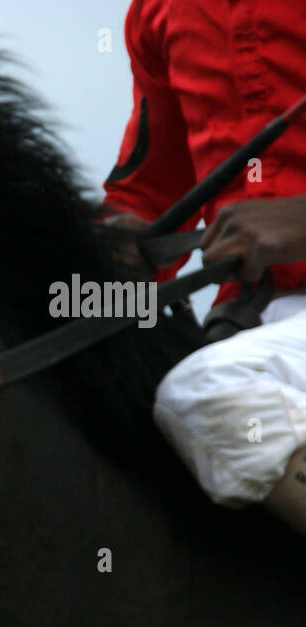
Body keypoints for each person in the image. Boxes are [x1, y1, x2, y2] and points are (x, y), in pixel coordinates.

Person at [100, 0, 306, 533]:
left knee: (205, 390)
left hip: (239, 366)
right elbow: (148, 194)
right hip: (251, 330)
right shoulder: (156, 13)